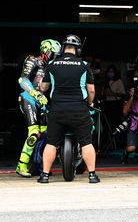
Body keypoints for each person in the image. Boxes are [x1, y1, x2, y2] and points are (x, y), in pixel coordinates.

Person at [38, 34, 100, 183]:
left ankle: (45, 176)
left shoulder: (52, 64)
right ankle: (92, 175)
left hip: (57, 110)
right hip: (79, 109)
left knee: (52, 143)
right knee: (86, 142)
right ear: (77, 49)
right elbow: (91, 91)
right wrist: (90, 104)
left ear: (63, 48)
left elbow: (44, 87)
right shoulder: (84, 65)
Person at [16, 39, 62, 177]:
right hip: (28, 98)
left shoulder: (50, 68)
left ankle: (38, 166)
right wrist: (35, 93)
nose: (55, 57)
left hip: (42, 102)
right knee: (34, 133)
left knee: (46, 134)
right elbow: (22, 80)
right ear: (46, 51)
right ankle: (21, 165)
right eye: (54, 54)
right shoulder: (32, 60)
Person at [102, 65, 126, 138]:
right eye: (109, 72)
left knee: (116, 123)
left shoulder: (119, 81)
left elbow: (123, 94)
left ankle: (117, 140)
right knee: (107, 123)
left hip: (116, 104)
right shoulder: (106, 81)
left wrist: (113, 94)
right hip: (107, 104)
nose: (110, 73)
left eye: (112, 72)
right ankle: (108, 140)